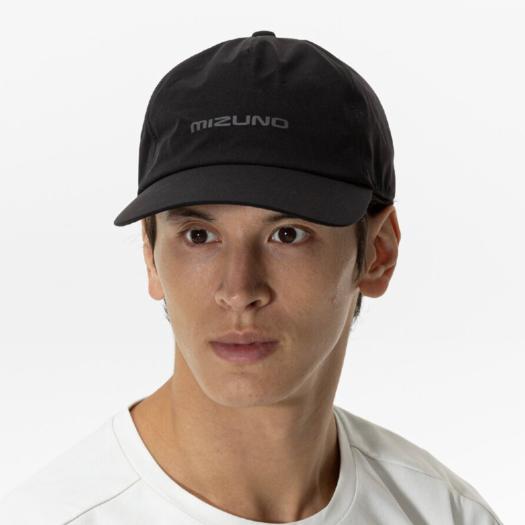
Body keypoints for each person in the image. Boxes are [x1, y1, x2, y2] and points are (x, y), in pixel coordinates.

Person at [0, 30, 503, 524]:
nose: (239, 290)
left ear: (378, 253)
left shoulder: (444, 513)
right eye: (199, 236)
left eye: (287, 234)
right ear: (151, 257)